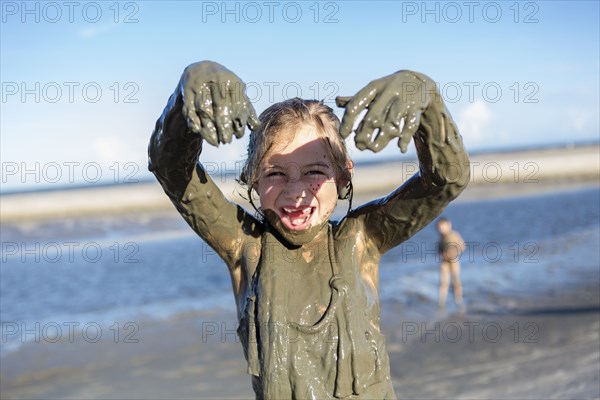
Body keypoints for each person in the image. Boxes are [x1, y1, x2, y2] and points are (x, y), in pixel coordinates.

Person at [148, 60, 470, 399]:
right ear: (252, 180)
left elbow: (446, 179)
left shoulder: (362, 238)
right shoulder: (245, 245)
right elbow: (171, 168)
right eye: (275, 173)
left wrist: (426, 97)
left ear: (344, 175)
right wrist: (187, 92)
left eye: (315, 171)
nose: (296, 191)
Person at [437, 218, 466, 309]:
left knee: (456, 280)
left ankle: (459, 300)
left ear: (448, 225)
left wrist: (453, 252)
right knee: (444, 283)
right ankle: (441, 303)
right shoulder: (441, 237)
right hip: (444, 262)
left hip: (454, 260)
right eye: (440, 227)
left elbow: (462, 246)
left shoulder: (454, 235)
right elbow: (439, 250)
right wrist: (442, 254)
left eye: (443, 226)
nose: (441, 229)